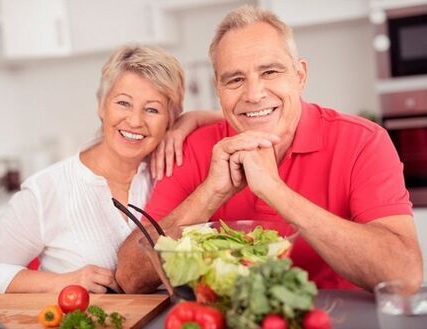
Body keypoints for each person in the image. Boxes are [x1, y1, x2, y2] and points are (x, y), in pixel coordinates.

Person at [116, 5, 423, 293]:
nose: (254, 94)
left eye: (270, 72)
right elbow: (130, 277)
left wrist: (275, 191)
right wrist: (213, 191)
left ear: (300, 75)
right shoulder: (193, 148)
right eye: (235, 79)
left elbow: (404, 277)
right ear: (218, 90)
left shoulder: (363, 142)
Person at [0, 44, 222, 294]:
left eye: (152, 109)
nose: (134, 120)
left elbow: (239, 119)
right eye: (123, 103)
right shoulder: (47, 189)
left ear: (170, 118)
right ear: (101, 105)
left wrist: (191, 119)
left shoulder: (171, 169)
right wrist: (61, 282)